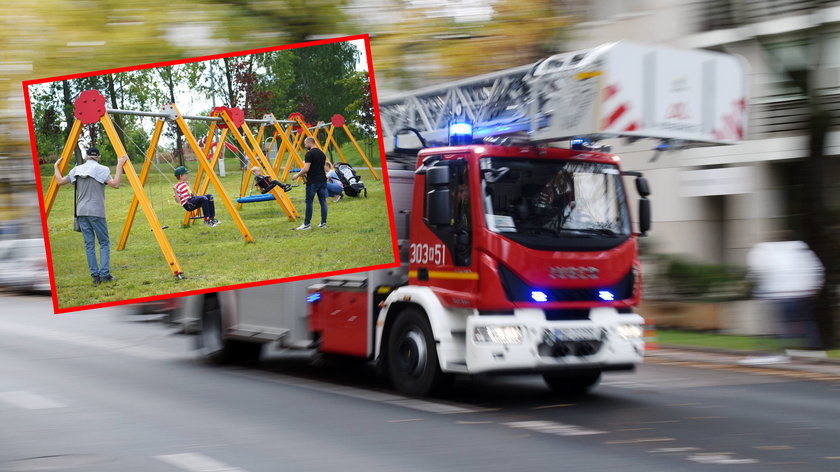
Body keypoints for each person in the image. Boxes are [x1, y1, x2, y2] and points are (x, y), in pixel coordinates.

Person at [54, 147, 129, 285]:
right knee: (104, 243)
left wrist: (55, 167)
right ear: (98, 157)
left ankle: (95, 276)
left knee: (89, 244)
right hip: (96, 212)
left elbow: (60, 181)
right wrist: (119, 165)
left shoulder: (76, 170)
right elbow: (116, 184)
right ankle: (105, 275)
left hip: (81, 212)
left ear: (86, 156)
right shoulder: (102, 169)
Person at [745, 232, 825, 361]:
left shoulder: (767, 251)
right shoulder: (802, 250)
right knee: (807, 320)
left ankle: (789, 350)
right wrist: (815, 287)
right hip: (804, 292)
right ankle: (814, 348)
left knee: (784, 321)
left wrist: (753, 283)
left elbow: (758, 270)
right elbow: (817, 268)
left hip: (781, 293)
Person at [293, 136, 329, 230]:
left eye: (305, 144)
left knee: (309, 202)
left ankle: (306, 224)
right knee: (323, 201)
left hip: (313, 181)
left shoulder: (309, 154)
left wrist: (297, 175)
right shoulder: (322, 153)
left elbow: (306, 169)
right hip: (322, 180)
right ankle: (323, 223)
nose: (305, 146)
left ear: (309, 143)